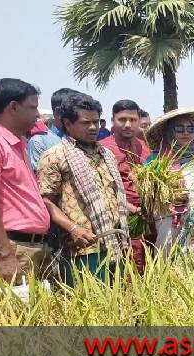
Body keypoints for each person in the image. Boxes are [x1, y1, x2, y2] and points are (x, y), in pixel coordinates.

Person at [37, 93, 130, 286]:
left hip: (115, 244)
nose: (93, 127)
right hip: (83, 248)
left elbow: (112, 193)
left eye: (96, 121)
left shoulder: (106, 154)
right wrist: (72, 228)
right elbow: (45, 201)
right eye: (85, 122)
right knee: (90, 306)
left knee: (120, 305)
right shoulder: (54, 156)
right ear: (67, 123)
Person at [0, 78, 51, 285]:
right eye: (32, 107)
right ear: (13, 107)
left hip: (32, 246)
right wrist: (5, 255)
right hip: (14, 248)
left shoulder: (20, 143)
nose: (38, 115)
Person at [145, 107, 194, 255]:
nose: (186, 133)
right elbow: (146, 195)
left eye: (190, 129)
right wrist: (167, 196)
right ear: (170, 133)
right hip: (171, 225)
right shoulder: (156, 160)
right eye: (180, 129)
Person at [99, 100, 152, 274]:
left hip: (148, 219)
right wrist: (131, 208)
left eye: (132, 120)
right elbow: (103, 189)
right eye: (122, 119)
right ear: (113, 120)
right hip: (120, 219)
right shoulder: (103, 149)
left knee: (149, 263)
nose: (127, 125)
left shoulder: (143, 147)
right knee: (128, 267)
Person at [27, 88, 79, 171]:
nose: (79, 115)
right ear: (58, 111)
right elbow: (41, 178)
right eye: (75, 111)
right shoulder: (39, 142)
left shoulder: (82, 139)